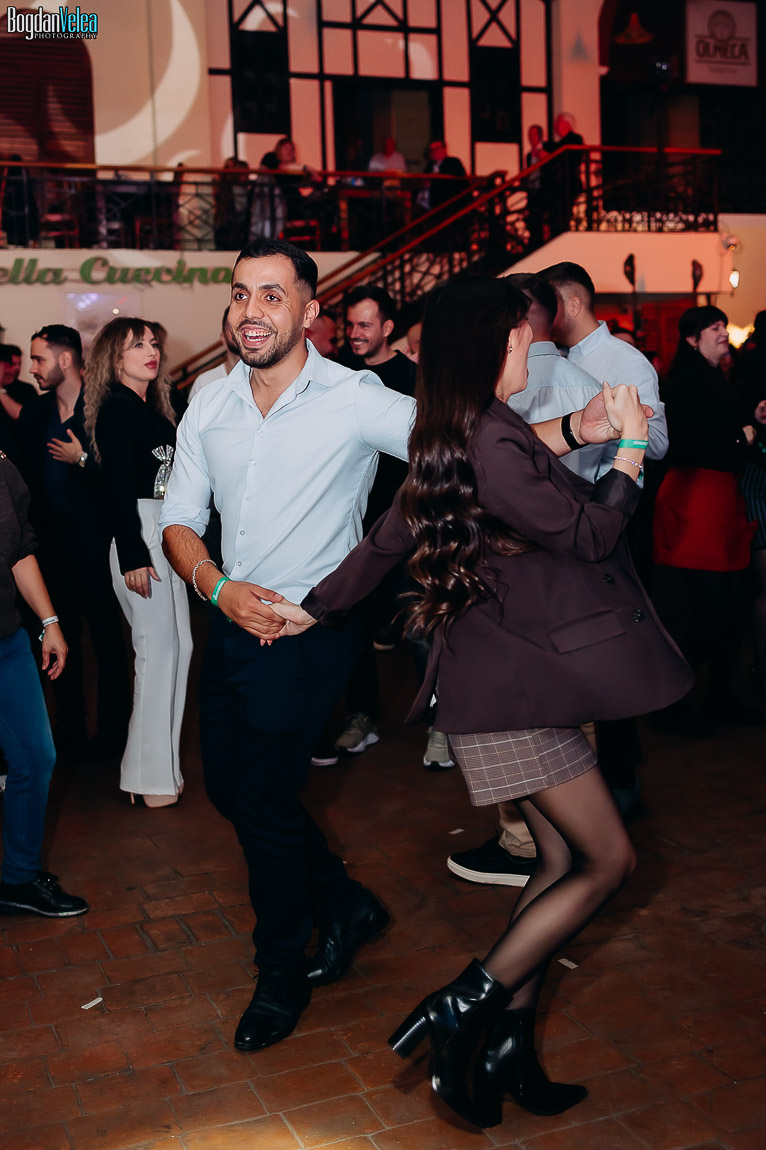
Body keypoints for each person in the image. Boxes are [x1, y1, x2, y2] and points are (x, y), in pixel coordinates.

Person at [270, 275, 692, 1127]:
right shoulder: (485, 435)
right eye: (520, 337)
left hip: (513, 683)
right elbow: (590, 533)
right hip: (510, 694)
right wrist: (630, 449)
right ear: (491, 346)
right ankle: (462, 1005)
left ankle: (507, 1048)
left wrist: (315, 606)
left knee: (559, 864)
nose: (531, 346)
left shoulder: (467, 426)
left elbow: (387, 538)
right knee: (608, 862)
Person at [84, 318, 192, 805]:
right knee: (156, 654)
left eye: (152, 343)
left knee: (180, 648)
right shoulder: (116, 408)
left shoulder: (153, 409)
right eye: (137, 345)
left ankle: (160, 771)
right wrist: (131, 553)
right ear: (115, 357)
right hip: (139, 536)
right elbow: (115, 489)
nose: (151, 351)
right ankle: (147, 780)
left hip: (163, 531)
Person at [17, 325, 130, 760]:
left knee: (107, 643)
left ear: (65, 360)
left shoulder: (104, 407)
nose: (32, 368)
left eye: (38, 359)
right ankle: (70, 734)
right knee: (59, 642)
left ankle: (114, 738)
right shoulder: (34, 414)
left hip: (100, 547)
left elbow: (124, 478)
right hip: (52, 552)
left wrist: (81, 460)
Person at [652, 305, 760, 731]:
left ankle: (718, 697)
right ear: (692, 339)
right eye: (713, 327)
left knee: (731, 607)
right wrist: (740, 438)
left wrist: (750, 423)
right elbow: (685, 445)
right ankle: (668, 702)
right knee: (711, 611)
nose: (722, 332)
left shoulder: (715, 378)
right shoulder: (686, 382)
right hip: (697, 501)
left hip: (720, 501)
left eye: (723, 326)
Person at [331, 286, 418, 761]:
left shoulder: (414, 378)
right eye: (350, 325)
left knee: (421, 623)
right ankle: (361, 715)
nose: (354, 333)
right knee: (353, 625)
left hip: (408, 523)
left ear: (387, 328)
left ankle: (442, 721)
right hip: (353, 525)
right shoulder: (337, 375)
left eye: (364, 325)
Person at [0, 449, 88, 918]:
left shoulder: (2, 467)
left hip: (7, 640)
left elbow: (20, 549)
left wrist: (49, 621)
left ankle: (18, 878)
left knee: (35, 757)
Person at [188, 307, 240, 400]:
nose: (237, 332)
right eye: (231, 326)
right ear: (223, 338)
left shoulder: (262, 379)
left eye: (242, 325)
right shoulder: (204, 382)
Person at [0, 344, 37, 421]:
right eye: (12, 364)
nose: (17, 367)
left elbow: (26, 417)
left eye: (19, 364)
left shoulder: (27, 390)